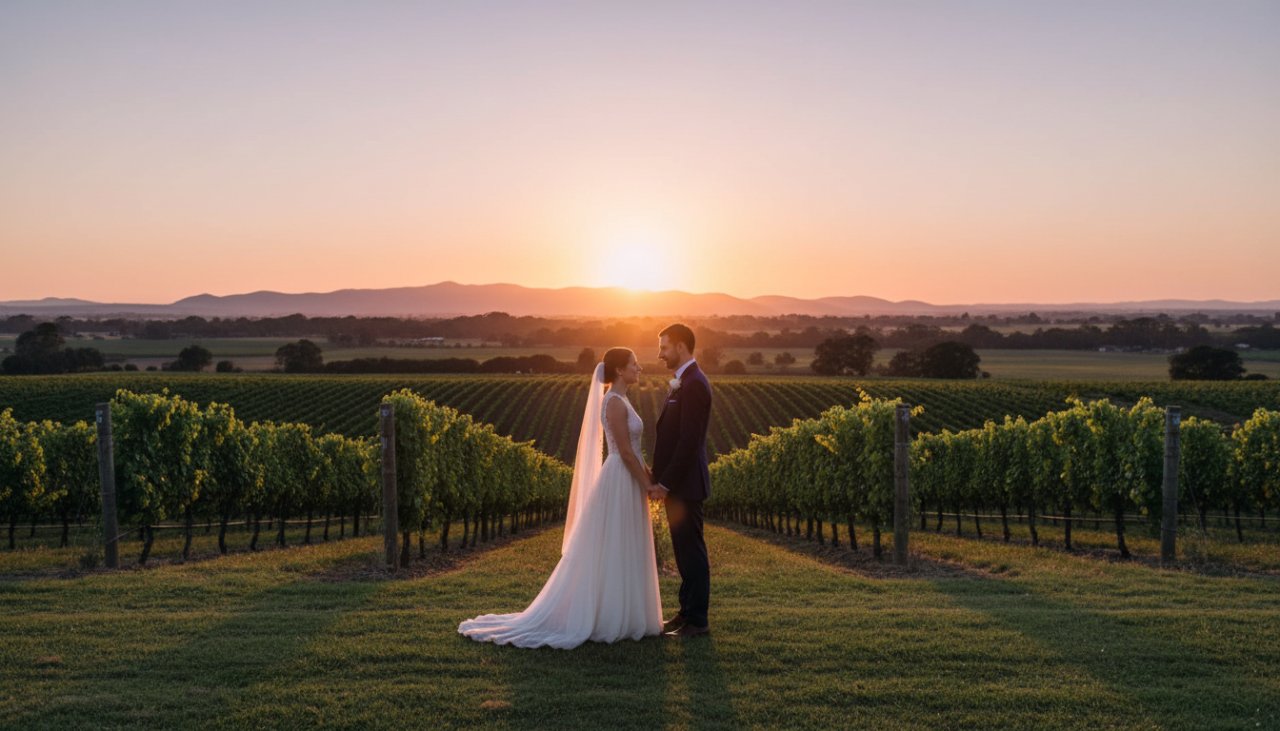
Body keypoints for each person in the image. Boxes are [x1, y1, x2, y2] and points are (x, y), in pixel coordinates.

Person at [458, 348, 662, 649]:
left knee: (625, 542)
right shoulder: (615, 403)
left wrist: (651, 479)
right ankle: (611, 616)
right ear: (619, 370)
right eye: (634, 364)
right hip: (620, 478)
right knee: (616, 543)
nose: (639, 368)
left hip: (628, 478)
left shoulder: (624, 400)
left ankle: (627, 613)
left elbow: (636, 450)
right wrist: (647, 484)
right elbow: (626, 453)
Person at [649, 323, 713, 638]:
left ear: (681, 347)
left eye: (663, 347)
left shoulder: (695, 384)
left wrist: (665, 483)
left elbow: (689, 442)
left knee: (692, 553)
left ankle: (698, 621)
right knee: (683, 552)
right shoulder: (684, 382)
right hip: (680, 486)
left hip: (686, 486)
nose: (659, 354)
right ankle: (686, 613)